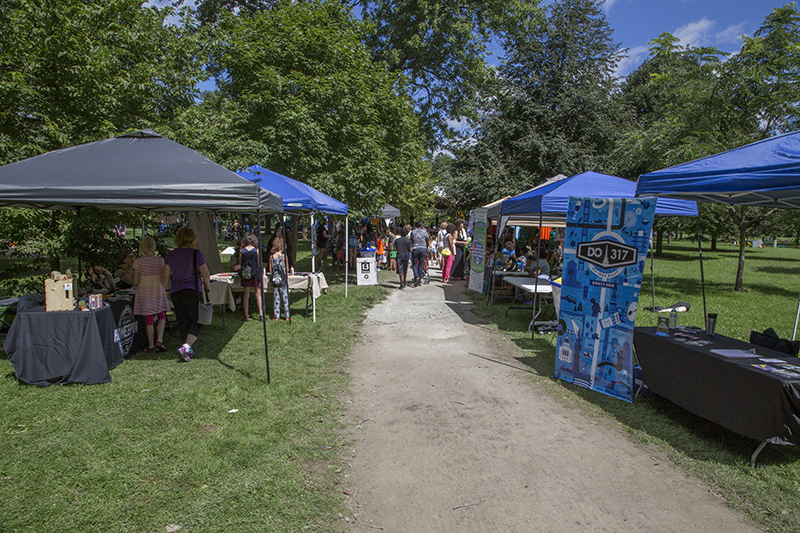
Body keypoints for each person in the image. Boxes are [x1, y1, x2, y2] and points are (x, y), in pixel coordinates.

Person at [163, 227, 211, 362]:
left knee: (183, 321)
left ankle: (186, 351)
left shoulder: (171, 255)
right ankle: (186, 346)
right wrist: (207, 286)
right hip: (193, 290)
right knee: (199, 320)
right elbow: (205, 273)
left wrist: (167, 290)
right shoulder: (197, 254)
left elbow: (165, 275)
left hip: (176, 291)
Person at [133, 236, 170, 353]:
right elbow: (164, 275)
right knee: (161, 313)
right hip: (157, 288)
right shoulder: (159, 260)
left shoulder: (138, 262)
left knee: (148, 316)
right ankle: (160, 339)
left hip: (144, 289)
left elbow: (135, 281)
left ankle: (150, 345)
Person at [239, 231, 264, 322]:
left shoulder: (242, 251)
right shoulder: (256, 251)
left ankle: (246, 315)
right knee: (258, 294)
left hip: (246, 274)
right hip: (255, 273)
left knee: (246, 294)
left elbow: (240, 263)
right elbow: (258, 264)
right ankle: (261, 315)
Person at [269, 234, 291, 321]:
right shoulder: (283, 257)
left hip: (275, 280)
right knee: (285, 298)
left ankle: (276, 316)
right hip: (283, 280)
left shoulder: (271, 257)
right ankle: (287, 315)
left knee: (276, 298)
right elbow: (287, 268)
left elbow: (270, 270)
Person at [410, 221, 429, 287]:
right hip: (423, 248)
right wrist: (427, 247)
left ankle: (416, 277)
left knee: (414, 264)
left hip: (415, 248)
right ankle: (419, 281)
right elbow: (427, 240)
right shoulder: (425, 232)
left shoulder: (413, 232)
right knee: (421, 265)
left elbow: (411, 240)